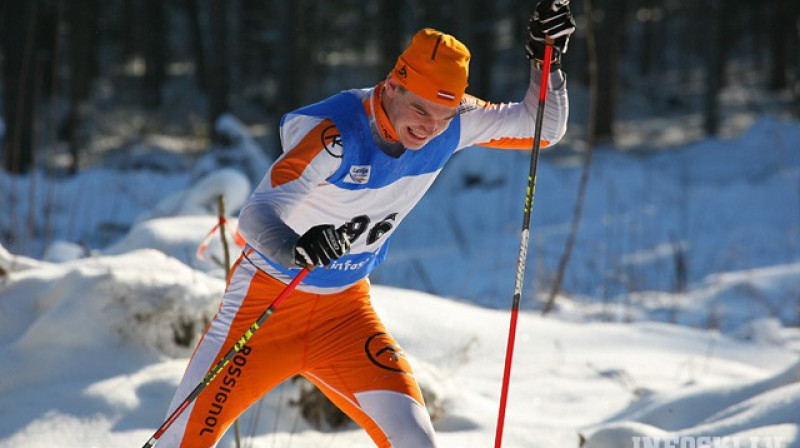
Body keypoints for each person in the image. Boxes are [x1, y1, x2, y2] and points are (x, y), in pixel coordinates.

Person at [160, 1, 575, 447]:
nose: (429, 129)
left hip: (345, 315)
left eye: (443, 117)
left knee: (416, 441)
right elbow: (256, 214)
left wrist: (545, 64)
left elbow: (542, 129)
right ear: (393, 85)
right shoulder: (335, 136)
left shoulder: (453, 121)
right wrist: (296, 246)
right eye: (420, 110)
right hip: (266, 306)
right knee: (181, 442)